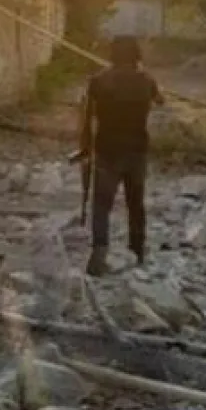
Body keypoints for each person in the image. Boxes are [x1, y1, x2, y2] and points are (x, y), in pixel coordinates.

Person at [79, 36, 162, 275]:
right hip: (137, 151)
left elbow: (86, 120)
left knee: (102, 205)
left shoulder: (97, 81)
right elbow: (160, 101)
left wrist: (86, 149)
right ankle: (137, 251)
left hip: (107, 150)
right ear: (137, 55)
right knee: (135, 204)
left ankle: (99, 254)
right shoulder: (147, 81)